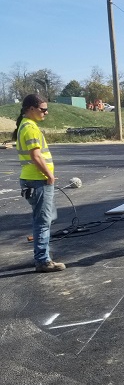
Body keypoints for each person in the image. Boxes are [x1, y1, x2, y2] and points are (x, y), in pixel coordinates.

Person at [12, 94, 66, 272]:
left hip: (33, 179)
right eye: (43, 109)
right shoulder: (30, 128)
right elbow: (36, 156)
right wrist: (49, 175)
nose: (46, 112)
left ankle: (41, 255)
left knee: (44, 218)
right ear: (31, 109)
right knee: (42, 221)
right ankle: (43, 260)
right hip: (38, 181)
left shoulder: (25, 125)